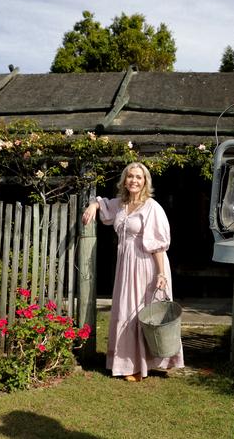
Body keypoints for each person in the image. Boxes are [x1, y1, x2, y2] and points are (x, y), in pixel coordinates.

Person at [81, 162, 184, 382]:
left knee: (145, 311)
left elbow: (157, 244)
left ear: (145, 181)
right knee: (126, 310)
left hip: (147, 265)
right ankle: (129, 361)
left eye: (138, 177)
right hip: (126, 265)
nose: (134, 181)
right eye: (130, 177)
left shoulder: (152, 207)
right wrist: (93, 205)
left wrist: (161, 274)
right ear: (124, 180)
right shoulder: (121, 204)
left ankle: (146, 363)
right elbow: (103, 204)